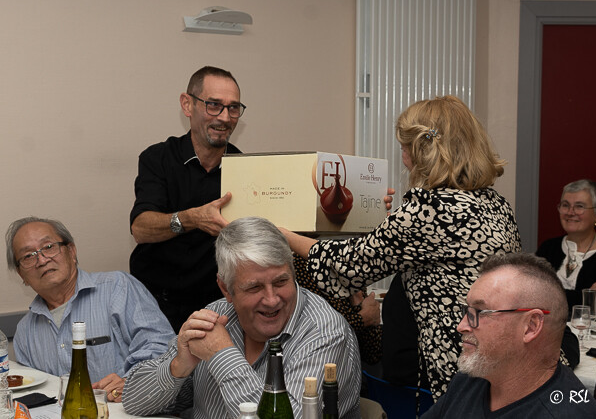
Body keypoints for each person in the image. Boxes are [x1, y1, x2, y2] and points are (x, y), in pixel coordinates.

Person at [280, 95, 522, 400]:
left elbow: (350, 264)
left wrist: (281, 233)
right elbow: (430, 248)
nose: (403, 156)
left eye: (404, 147)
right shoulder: (494, 203)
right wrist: (391, 224)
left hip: (453, 361)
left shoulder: (430, 207)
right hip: (497, 355)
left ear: (422, 150)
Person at [122, 217, 362, 418]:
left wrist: (222, 355)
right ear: (226, 289)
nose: (272, 299)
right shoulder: (216, 316)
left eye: (281, 282)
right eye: (254, 288)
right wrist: (178, 367)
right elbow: (134, 403)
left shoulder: (324, 331)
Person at [6, 217, 175, 402]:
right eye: (28, 256)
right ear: (22, 275)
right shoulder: (24, 332)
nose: (41, 260)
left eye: (48, 247)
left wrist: (132, 382)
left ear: (71, 251)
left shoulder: (118, 288)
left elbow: (162, 347)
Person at [129, 66, 244, 331]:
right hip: (155, 305)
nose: (225, 117)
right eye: (214, 105)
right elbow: (141, 228)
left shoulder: (245, 168)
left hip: (217, 309)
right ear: (187, 104)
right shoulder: (158, 158)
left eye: (234, 108)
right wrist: (194, 218)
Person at [422, 252, 596, 418]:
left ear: (531, 326)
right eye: (467, 311)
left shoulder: (569, 413)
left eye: (481, 311)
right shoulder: (468, 383)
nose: (462, 326)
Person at [536, 179, 596, 313]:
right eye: (565, 205)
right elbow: (534, 293)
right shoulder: (548, 249)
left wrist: (551, 292)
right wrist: (586, 296)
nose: (570, 212)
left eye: (579, 206)